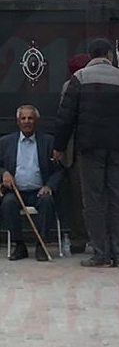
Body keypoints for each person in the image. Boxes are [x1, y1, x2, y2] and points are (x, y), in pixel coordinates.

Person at [54, 38, 119, 267]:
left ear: (91, 55)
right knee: (117, 198)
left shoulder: (79, 78)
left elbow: (65, 118)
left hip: (89, 148)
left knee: (93, 200)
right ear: (109, 55)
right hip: (118, 148)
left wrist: (59, 146)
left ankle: (101, 253)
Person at [0, 105, 63, 261]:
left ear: (36, 121)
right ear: (18, 121)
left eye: (30, 118)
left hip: (39, 191)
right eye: (23, 118)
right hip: (16, 191)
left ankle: (41, 245)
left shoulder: (48, 142)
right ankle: (19, 245)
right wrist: (4, 173)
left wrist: (49, 186)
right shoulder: (5, 142)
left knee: (47, 201)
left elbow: (59, 170)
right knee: (7, 203)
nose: (27, 121)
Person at [59, 53, 91, 254]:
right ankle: (100, 239)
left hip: (76, 150)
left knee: (78, 198)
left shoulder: (69, 86)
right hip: (96, 150)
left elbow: (64, 118)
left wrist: (60, 147)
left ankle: (79, 239)